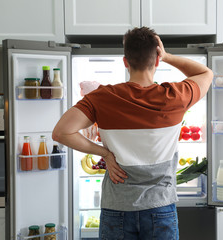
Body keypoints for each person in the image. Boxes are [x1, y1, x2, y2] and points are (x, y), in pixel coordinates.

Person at [52, 27, 213, 240]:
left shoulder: (103, 97)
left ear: (125, 61)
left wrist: (105, 153)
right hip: (160, 207)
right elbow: (206, 73)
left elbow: (61, 132)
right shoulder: (175, 96)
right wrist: (167, 56)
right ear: (156, 61)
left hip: (116, 208)